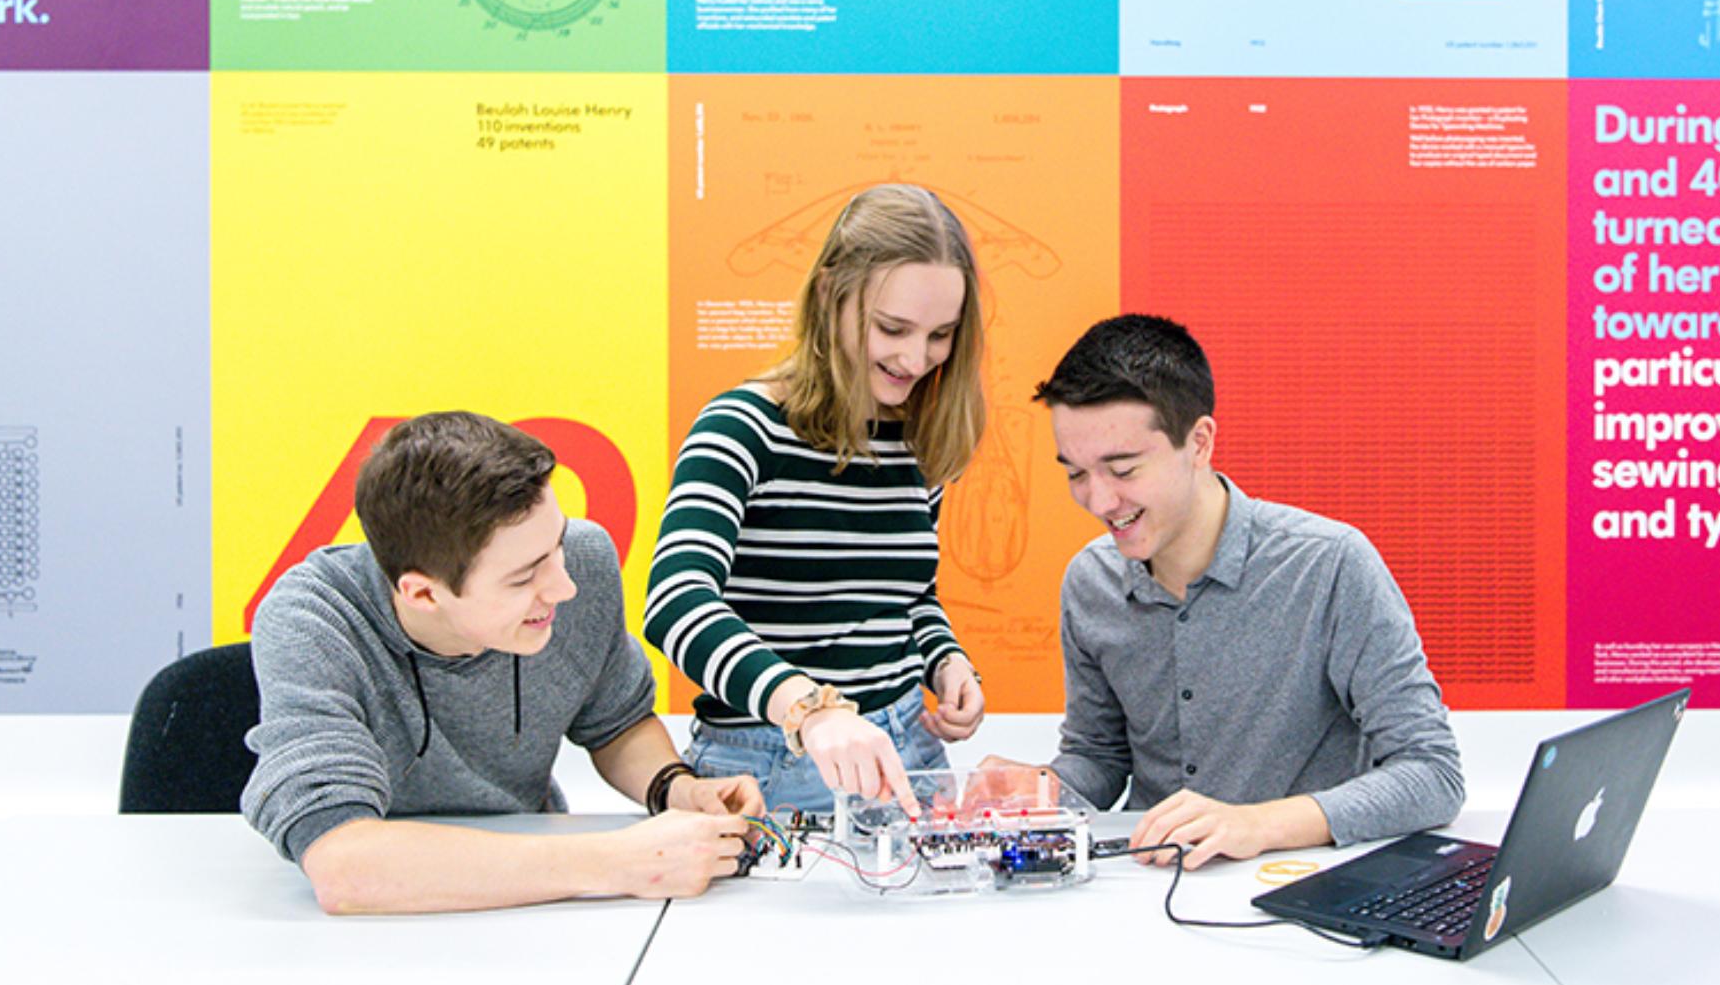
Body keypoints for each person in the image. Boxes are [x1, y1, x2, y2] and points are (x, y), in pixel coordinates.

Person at [983, 315, 1464, 869]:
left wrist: (1258, 823)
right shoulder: (1090, 581)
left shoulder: (1329, 564)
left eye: (1124, 470)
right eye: (1076, 474)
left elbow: (1433, 773)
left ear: (1199, 442)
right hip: (1148, 884)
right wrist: (1041, 788)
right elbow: (1100, 757)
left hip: (1301, 882)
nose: (1099, 501)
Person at [241, 411, 762, 913]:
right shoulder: (312, 621)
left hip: (534, 899)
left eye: (557, 546)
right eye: (523, 577)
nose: (563, 586)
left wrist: (675, 788)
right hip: (385, 917)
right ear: (423, 594)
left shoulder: (583, 561)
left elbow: (616, 724)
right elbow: (344, 867)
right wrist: (620, 863)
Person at [646, 184, 990, 816]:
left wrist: (946, 662)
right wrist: (809, 710)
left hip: (909, 752)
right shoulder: (742, 427)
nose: (916, 358)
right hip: (772, 761)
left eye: (941, 335)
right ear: (831, 293)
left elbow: (909, 598)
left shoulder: (917, 440)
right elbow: (676, 603)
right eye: (892, 328)